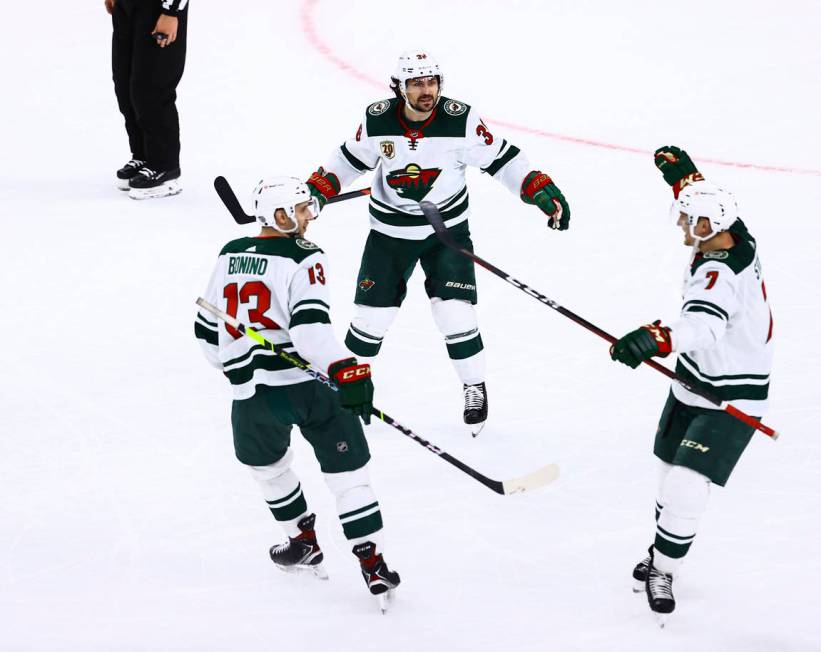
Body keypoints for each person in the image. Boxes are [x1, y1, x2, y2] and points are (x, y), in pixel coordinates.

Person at [305, 50, 571, 436]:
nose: (426, 91)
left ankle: (473, 386)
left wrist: (539, 191)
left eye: (431, 82)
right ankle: (340, 389)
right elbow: (348, 159)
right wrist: (316, 191)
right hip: (389, 236)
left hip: (445, 234)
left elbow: (503, 158)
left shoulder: (461, 120)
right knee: (370, 321)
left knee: (456, 315)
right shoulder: (377, 119)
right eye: (416, 83)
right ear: (399, 87)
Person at [194, 176, 400, 609]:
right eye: (302, 209)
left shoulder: (229, 253)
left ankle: (300, 540)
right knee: (349, 479)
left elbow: (205, 330)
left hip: (253, 394)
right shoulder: (304, 256)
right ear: (281, 216)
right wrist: (347, 369)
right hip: (312, 387)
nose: (310, 216)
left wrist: (234, 366)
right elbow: (309, 331)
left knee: (268, 471)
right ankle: (373, 563)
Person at [610, 146, 774, 624]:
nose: (683, 227)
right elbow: (707, 205)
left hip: (731, 394)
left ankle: (664, 568)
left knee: (685, 484)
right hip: (694, 381)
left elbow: (702, 329)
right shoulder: (733, 235)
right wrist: (685, 179)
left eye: (690, 221)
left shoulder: (718, 274)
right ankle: (663, 548)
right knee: (667, 474)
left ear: (708, 226)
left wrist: (656, 339)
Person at [106, 0, 188, 199]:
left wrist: (172, 11)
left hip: (159, 8)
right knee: (125, 86)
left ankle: (164, 167)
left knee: (151, 87)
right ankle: (143, 157)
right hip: (126, 6)